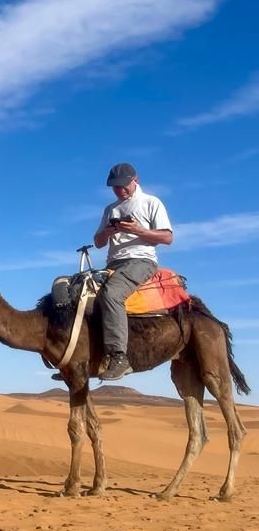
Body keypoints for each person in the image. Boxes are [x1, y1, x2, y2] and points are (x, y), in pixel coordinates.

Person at [91, 162, 173, 380]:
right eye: (115, 187)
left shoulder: (151, 202)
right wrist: (108, 232)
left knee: (112, 294)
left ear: (135, 180)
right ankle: (86, 357)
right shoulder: (110, 209)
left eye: (123, 185)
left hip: (141, 260)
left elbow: (167, 238)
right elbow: (98, 243)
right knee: (80, 297)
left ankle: (119, 357)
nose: (120, 190)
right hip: (113, 263)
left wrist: (138, 230)